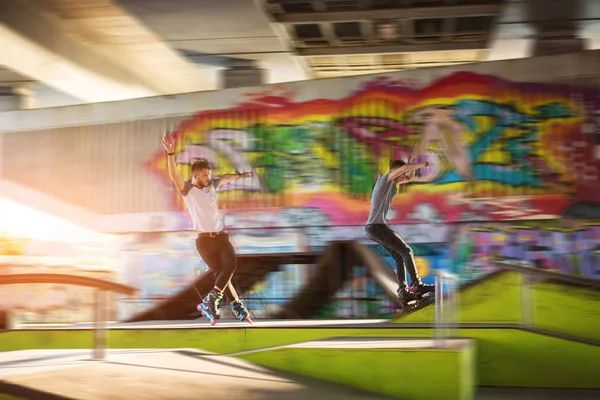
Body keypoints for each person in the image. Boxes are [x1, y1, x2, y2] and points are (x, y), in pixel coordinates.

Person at [162, 133, 252, 323]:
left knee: (230, 266)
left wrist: (239, 175)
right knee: (221, 274)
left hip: (220, 237)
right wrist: (170, 154)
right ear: (195, 175)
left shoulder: (211, 185)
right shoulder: (188, 191)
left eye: (209, 174)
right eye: (204, 175)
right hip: (203, 242)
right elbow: (174, 174)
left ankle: (211, 300)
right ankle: (236, 305)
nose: (208, 178)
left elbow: (225, 178)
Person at [365, 159, 435, 309]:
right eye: (401, 173)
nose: (404, 177)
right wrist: (422, 164)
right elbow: (405, 169)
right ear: (395, 171)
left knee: (398, 256)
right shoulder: (385, 180)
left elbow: (409, 176)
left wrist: (410, 170)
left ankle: (403, 292)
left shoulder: (392, 184)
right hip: (377, 227)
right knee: (406, 251)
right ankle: (417, 285)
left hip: (373, 228)